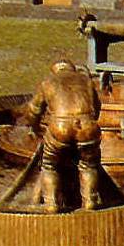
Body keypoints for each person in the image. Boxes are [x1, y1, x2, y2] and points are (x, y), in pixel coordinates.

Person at [24, 57, 102, 213]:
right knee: (88, 165)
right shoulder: (86, 80)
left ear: (54, 70)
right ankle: (90, 201)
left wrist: (34, 127)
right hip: (87, 126)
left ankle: (51, 204)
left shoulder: (48, 82)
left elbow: (33, 110)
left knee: (49, 165)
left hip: (60, 127)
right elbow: (97, 106)